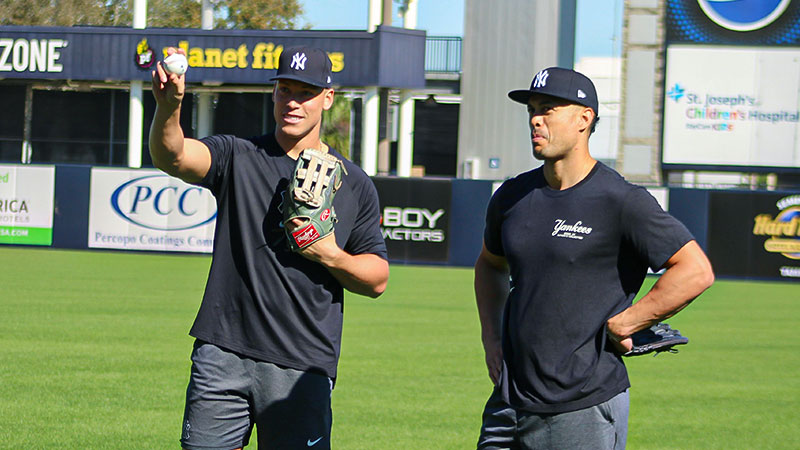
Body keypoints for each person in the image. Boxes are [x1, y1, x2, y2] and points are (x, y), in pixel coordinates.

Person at [149, 45, 389, 450]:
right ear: (273, 93)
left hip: (303, 364)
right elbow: (172, 156)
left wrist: (328, 253)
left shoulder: (355, 183)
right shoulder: (239, 156)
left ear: (328, 98)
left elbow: (377, 279)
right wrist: (169, 106)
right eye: (285, 90)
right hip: (223, 351)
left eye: (306, 92)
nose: (293, 102)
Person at [473, 67, 714, 449]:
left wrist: (627, 322)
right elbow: (490, 264)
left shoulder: (620, 200)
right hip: (509, 401)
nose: (535, 119)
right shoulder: (512, 196)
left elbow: (695, 270)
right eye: (532, 109)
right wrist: (491, 337)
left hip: (582, 404)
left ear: (584, 119)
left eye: (548, 109)